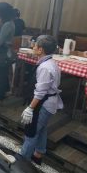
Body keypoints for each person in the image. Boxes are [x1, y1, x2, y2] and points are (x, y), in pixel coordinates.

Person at [20, 35, 63, 165]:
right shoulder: (50, 62)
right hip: (48, 103)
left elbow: (40, 93)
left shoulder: (45, 67)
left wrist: (30, 108)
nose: (32, 46)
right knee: (42, 128)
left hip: (43, 104)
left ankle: (22, 163)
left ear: (40, 50)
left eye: (35, 45)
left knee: (31, 132)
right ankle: (38, 154)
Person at [0, 2, 15, 106]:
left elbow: (0, 41)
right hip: (4, 52)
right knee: (4, 73)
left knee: (0, 75)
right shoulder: (8, 22)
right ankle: (5, 92)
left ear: (1, 13)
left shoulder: (7, 24)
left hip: (3, 53)